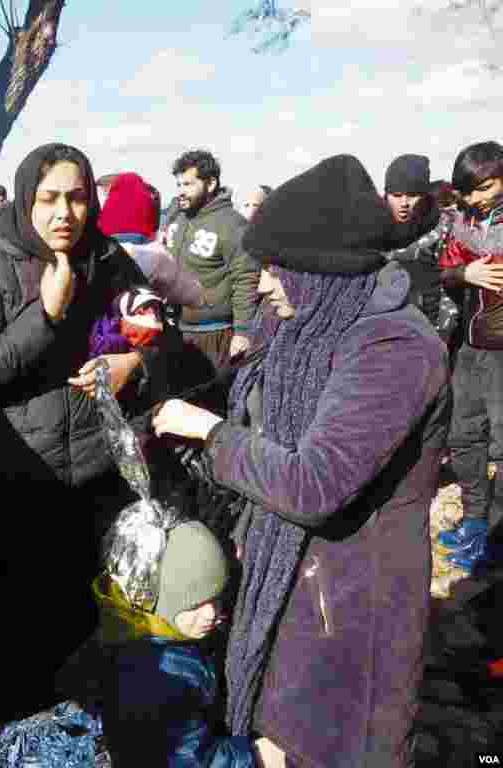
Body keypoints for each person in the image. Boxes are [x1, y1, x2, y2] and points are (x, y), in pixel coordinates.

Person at [152, 154, 450, 768]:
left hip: (348, 607)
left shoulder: (396, 347)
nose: (260, 284)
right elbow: (244, 394)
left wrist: (210, 436)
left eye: (274, 269)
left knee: (333, 746)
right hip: (283, 577)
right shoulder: (304, 320)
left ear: (322, 271)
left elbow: (315, 484)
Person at [0, 143, 173, 705]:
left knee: (92, 611)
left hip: (101, 472)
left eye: (76, 198)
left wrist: (134, 364)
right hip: (22, 476)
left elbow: (160, 337)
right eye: (49, 198)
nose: (64, 214)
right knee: (26, 624)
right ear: (27, 198)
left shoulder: (107, 258)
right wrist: (44, 315)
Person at [95, 520, 273, 768]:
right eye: (194, 604)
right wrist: (255, 756)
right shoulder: (161, 675)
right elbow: (189, 761)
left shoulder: (157, 633)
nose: (211, 613)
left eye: (216, 598)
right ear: (164, 603)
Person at [436, 141, 503, 574]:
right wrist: (465, 273)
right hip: (471, 346)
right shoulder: (463, 220)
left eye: (486, 187)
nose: (477, 197)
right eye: (470, 190)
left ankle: (497, 536)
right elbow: (443, 271)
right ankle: (476, 520)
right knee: (463, 438)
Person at [165, 150, 258, 410]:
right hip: (177, 332)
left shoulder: (232, 225)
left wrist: (242, 331)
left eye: (188, 184)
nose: (181, 191)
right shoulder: (178, 219)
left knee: (212, 407)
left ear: (211, 183)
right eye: (179, 184)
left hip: (215, 335)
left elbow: (245, 278)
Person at [380, 154, 451, 328]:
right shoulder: (369, 228)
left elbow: (451, 285)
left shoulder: (444, 227)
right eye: (396, 195)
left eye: (412, 195)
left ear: (425, 196)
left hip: (432, 327)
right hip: (381, 328)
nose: (404, 203)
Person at [98, 172, 160, 246]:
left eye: (104, 190)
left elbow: (103, 220)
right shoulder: (148, 192)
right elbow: (154, 219)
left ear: (109, 185)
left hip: (112, 236)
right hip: (141, 236)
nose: (104, 193)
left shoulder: (114, 197)